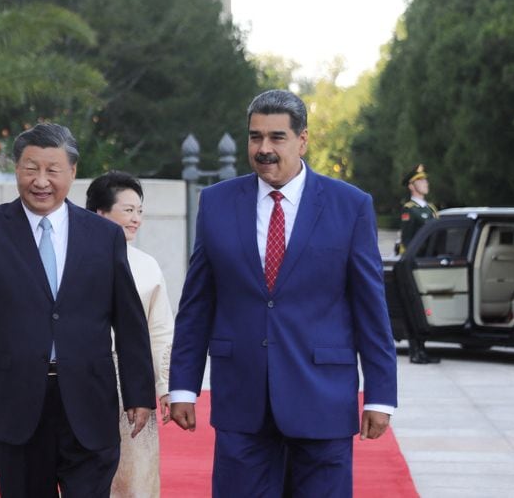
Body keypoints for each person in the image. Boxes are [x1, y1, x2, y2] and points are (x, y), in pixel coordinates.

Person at [168, 90, 398, 497]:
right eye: (255, 137)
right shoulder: (217, 203)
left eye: (277, 137)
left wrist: (380, 395)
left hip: (323, 398)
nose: (264, 149)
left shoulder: (350, 205)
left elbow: (371, 308)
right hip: (242, 400)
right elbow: (197, 304)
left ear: (302, 140)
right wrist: (184, 385)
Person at [0, 123, 155, 497]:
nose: (41, 181)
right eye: (31, 169)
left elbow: (128, 319)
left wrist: (139, 393)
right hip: (17, 402)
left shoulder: (102, 235)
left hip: (88, 398)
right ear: (17, 169)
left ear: (73, 173)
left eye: (52, 170)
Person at [86, 171, 175, 497]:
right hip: (85, 378)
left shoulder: (147, 265)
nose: (136, 219)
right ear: (100, 213)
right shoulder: (75, 262)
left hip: (133, 382)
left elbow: (161, 329)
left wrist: (164, 385)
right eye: (127, 210)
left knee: (136, 477)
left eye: (139, 211)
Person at [399, 164, 441, 365]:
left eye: (425, 180)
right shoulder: (410, 210)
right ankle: (415, 349)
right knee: (413, 307)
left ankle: (423, 348)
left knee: (425, 308)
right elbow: (406, 242)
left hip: (429, 264)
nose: (426, 183)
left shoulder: (431, 209)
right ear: (411, 186)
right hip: (414, 265)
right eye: (421, 180)